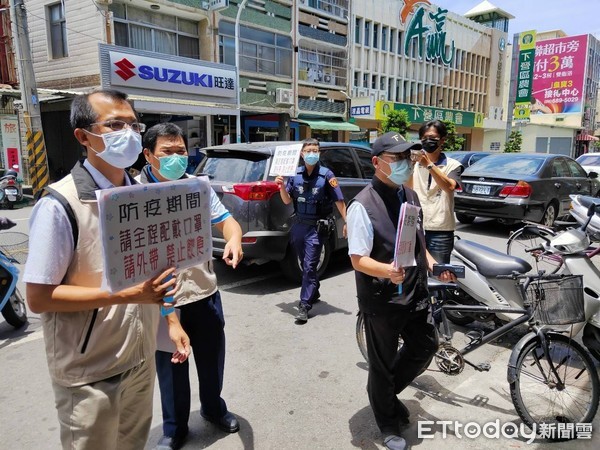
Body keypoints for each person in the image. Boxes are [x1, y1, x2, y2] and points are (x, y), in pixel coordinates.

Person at [23, 89, 190, 450]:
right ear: (83, 136)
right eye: (114, 125)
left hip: (140, 360)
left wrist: (171, 322)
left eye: (133, 124)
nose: (127, 134)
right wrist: (125, 294)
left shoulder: (143, 196)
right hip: (89, 373)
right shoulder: (60, 205)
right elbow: (38, 297)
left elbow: (157, 275)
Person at [138, 123, 244, 450]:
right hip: (163, 300)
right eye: (167, 153)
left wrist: (234, 239)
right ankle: (175, 428)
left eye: (181, 151)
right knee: (172, 371)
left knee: (211, 362)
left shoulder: (197, 188)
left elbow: (226, 220)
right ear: (148, 155)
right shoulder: (131, 193)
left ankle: (213, 408)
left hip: (203, 293)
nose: (176, 158)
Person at [346, 131, 454, 450]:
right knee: (382, 362)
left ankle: (385, 395)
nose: (407, 163)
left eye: (408, 157)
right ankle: (388, 423)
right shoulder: (362, 205)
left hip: (415, 292)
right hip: (382, 298)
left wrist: (433, 264)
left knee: (425, 345)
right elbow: (357, 259)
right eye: (398, 158)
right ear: (378, 163)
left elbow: (419, 241)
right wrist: (387, 271)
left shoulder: (409, 196)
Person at [275, 138, 347, 323]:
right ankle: (313, 290)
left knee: (309, 265)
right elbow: (286, 200)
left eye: (315, 150)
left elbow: (339, 200)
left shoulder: (327, 175)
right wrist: (281, 186)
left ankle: (304, 305)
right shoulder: (294, 174)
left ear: (319, 153)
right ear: (302, 154)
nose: (312, 154)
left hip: (316, 227)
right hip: (299, 225)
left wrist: (348, 222)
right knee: (304, 262)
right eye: (308, 151)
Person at [410, 120, 462, 263]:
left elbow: (449, 187)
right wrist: (411, 166)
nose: (428, 141)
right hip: (414, 226)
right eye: (424, 138)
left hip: (440, 230)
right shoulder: (414, 163)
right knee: (414, 273)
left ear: (442, 140)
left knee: (438, 276)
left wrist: (428, 165)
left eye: (432, 138)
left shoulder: (453, 165)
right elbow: (407, 188)